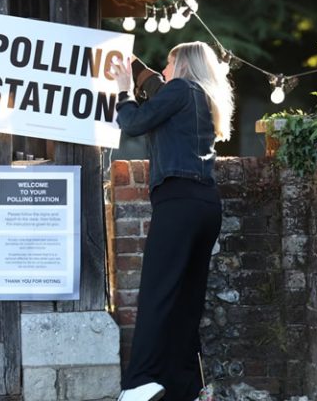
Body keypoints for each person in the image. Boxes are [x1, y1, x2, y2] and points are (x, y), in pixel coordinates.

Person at [111, 41, 234, 401]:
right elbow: (156, 88)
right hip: (206, 206)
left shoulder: (181, 89)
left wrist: (123, 91)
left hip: (178, 202)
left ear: (182, 66)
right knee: (186, 301)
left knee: (157, 293)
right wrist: (134, 65)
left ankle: (139, 382)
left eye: (168, 63)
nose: (164, 70)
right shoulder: (202, 96)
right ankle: (187, 388)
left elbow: (134, 123)